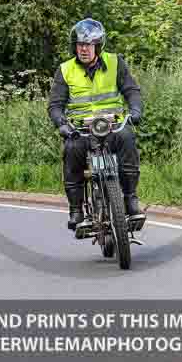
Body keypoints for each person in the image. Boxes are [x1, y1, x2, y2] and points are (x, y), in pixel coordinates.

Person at [47, 18, 144, 230]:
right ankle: (76, 210)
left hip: (112, 126)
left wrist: (135, 110)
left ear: (98, 46)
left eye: (88, 45)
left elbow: (131, 90)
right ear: (75, 47)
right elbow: (55, 105)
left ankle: (130, 199)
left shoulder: (115, 62)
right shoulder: (65, 70)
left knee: (128, 139)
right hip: (80, 130)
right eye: (80, 45)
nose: (84, 49)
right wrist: (62, 124)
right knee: (71, 152)